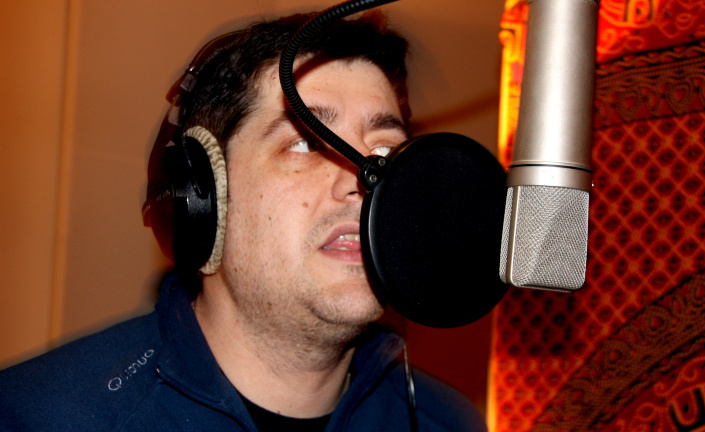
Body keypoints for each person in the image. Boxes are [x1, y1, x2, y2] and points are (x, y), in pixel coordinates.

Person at [0, 10, 487, 432]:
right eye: (305, 144)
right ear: (205, 198)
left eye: (383, 152)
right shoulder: (35, 415)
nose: (362, 180)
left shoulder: (448, 422)